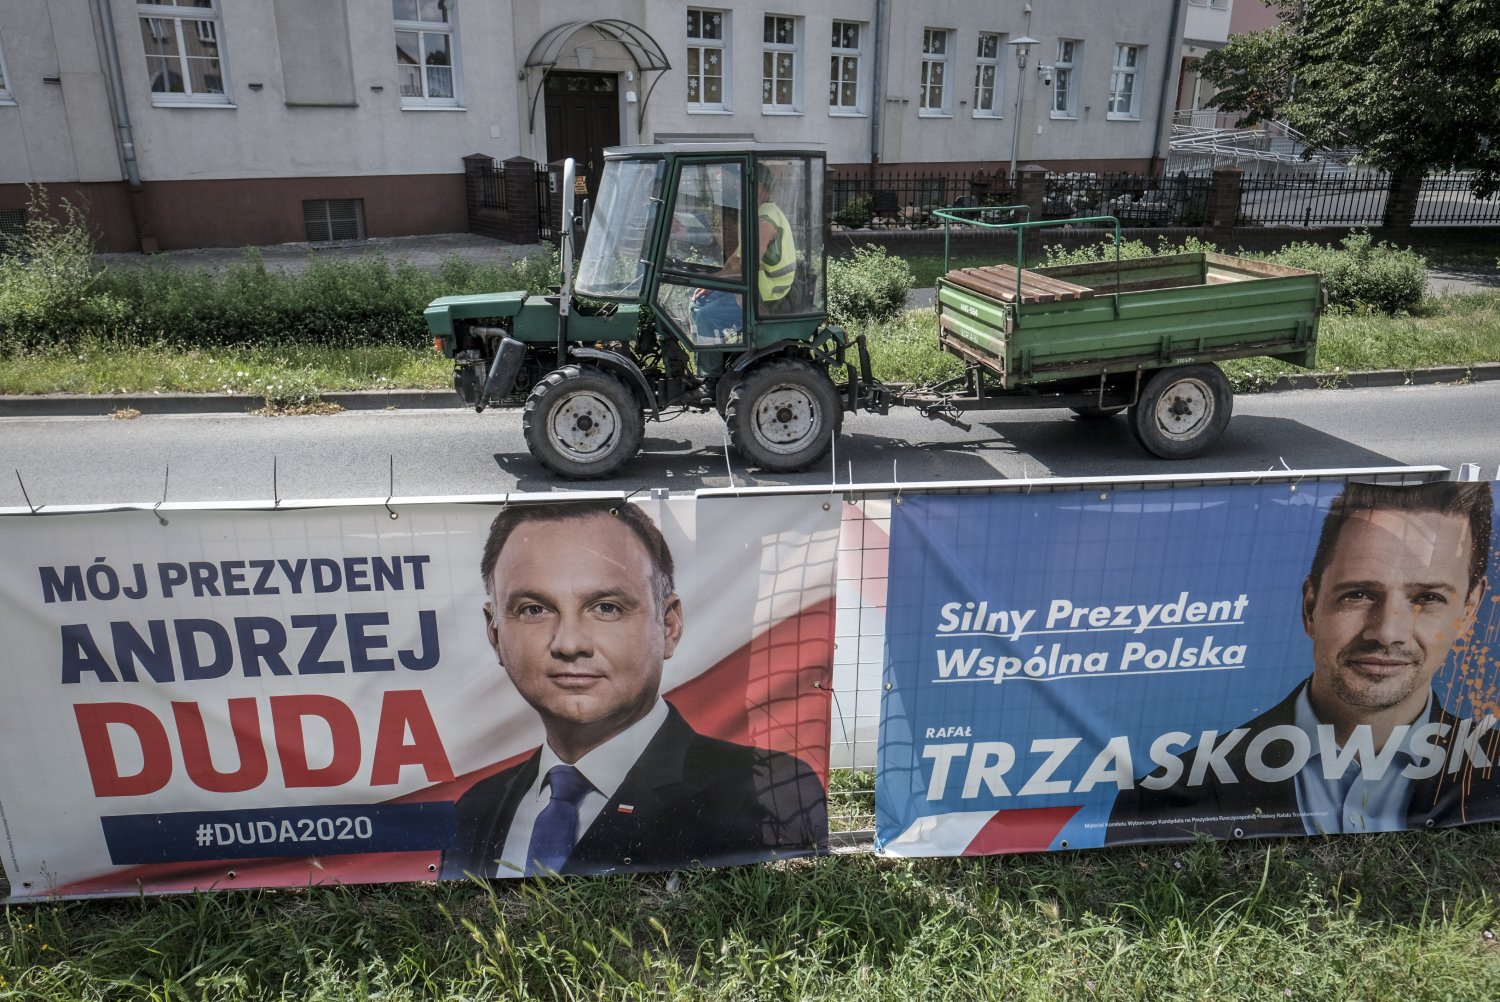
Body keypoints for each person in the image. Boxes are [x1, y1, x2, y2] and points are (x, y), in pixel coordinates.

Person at [442, 500, 827, 878]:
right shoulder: (475, 808)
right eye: (534, 609)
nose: (569, 643)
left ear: (669, 626)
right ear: (495, 634)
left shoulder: (769, 790)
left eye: (606, 607)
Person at [1108, 480, 1497, 843]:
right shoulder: (1165, 794)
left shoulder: (1491, 768)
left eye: (1427, 598)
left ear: (1468, 610)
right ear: (1311, 607)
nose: (1387, 632)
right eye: (1359, 594)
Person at [689, 162, 798, 381]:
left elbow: (746, 266)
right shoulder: (756, 214)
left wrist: (714, 282)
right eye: (740, 184)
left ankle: (710, 379)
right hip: (753, 285)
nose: (741, 189)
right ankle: (710, 360)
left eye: (748, 184)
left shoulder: (765, 220)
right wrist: (711, 282)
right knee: (697, 303)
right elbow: (735, 261)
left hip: (766, 295)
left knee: (707, 317)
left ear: (764, 188)